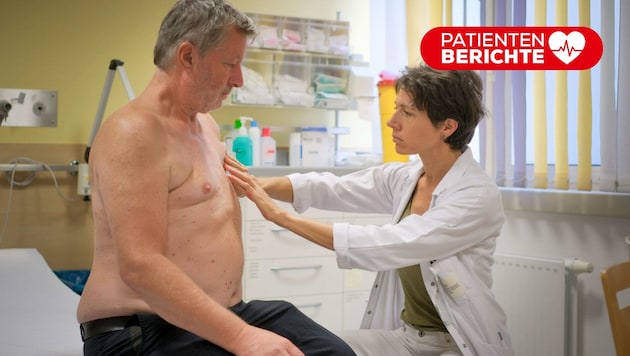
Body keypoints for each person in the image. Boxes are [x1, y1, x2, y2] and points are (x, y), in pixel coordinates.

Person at [76, 1, 355, 355]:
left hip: (216, 315)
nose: (238, 79)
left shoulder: (204, 125)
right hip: (143, 329)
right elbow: (139, 266)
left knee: (334, 353)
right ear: (188, 57)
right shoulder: (134, 133)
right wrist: (243, 337)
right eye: (230, 64)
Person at [225, 64, 514, 356]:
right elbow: (334, 188)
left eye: (407, 113)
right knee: (312, 349)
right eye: (395, 108)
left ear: (447, 127)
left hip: (458, 344)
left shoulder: (475, 196)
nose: (392, 121)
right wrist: (254, 184)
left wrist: (281, 217)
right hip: (408, 340)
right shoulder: (407, 177)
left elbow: (390, 243)